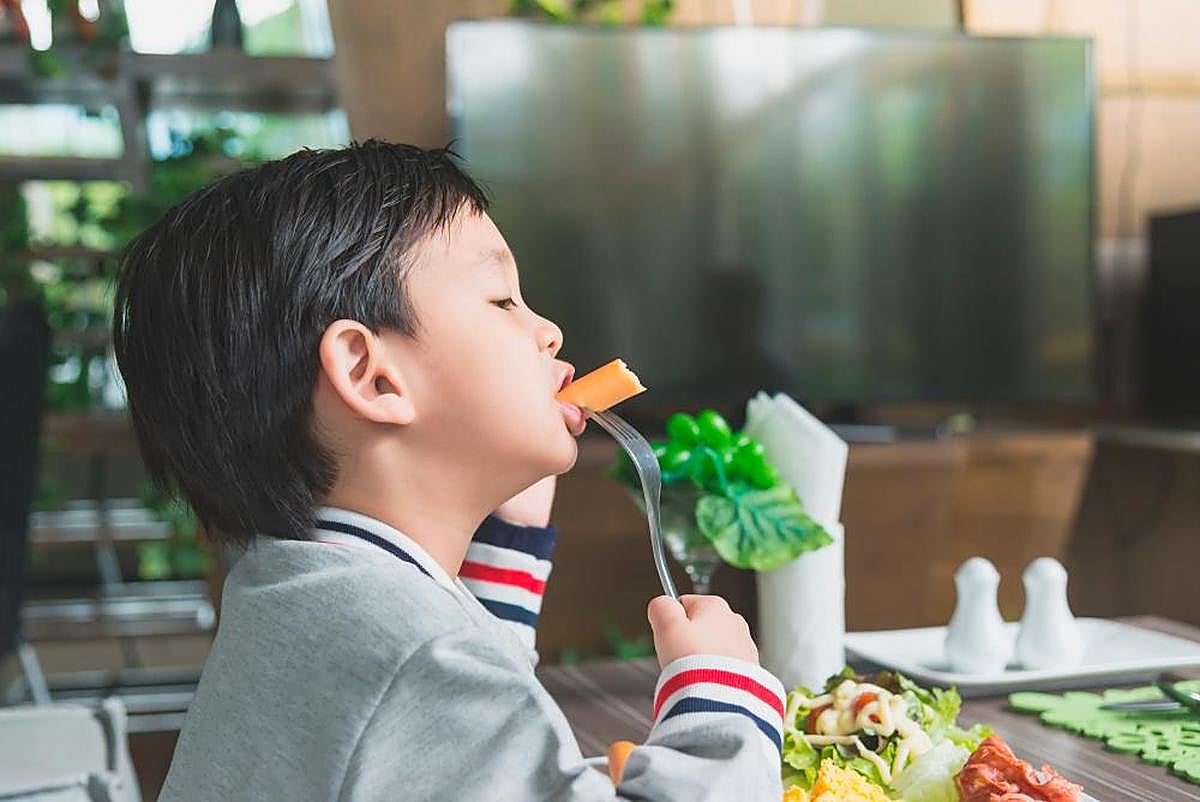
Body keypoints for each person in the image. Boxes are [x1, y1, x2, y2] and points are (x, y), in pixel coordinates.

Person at [112, 141, 785, 800]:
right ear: (371, 375)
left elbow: (446, 758)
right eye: (502, 300)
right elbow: (442, 690)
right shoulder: (421, 662)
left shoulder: (291, 595)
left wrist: (507, 556)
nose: (548, 330)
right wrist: (721, 697)